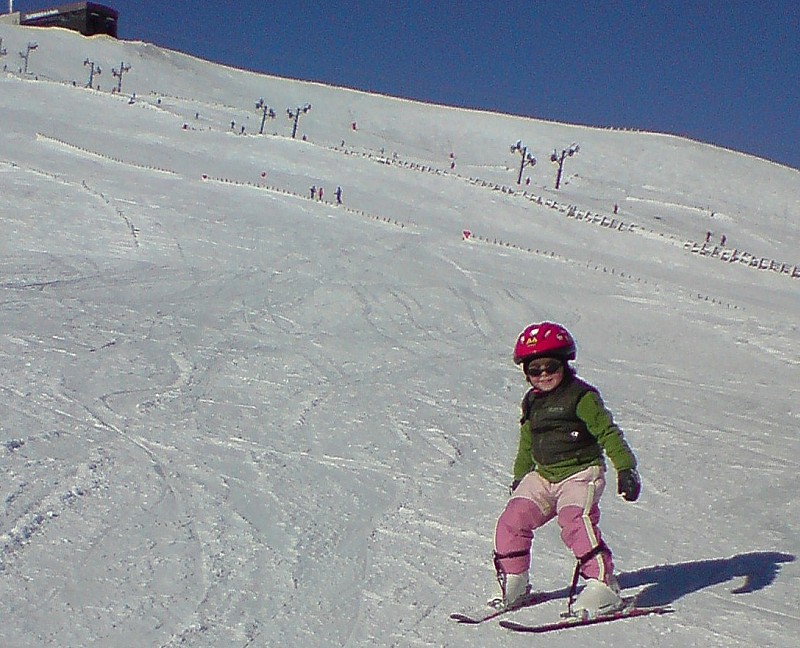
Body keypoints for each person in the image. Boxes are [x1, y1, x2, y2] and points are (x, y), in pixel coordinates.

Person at [492, 322, 641, 618]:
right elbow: (527, 441)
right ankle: (516, 581)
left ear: (564, 363)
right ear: (527, 373)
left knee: (575, 521)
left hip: (581, 473)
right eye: (536, 370)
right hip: (545, 475)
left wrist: (625, 468)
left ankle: (604, 585)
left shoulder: (581, 397)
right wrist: (521, 475)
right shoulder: (532, 401)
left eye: (551, 366)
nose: (544, 375)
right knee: (512, 520)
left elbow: (608, 433)